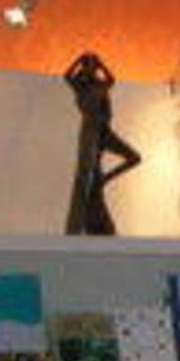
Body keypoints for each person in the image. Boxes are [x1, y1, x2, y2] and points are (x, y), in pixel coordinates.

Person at [64, 51, 141, 235]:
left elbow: (111, 79)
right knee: (87, 180)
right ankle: (88, 226)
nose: (92, 68)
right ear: (84, 68)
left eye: (93, 65)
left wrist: (107, 177)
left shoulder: (100, 85)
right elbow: (67, 77)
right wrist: (80, 60)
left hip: (104, 130)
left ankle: (96, 223)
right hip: (91, 133)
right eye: (89, 65)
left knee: (132, 158)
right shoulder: (81, 86)